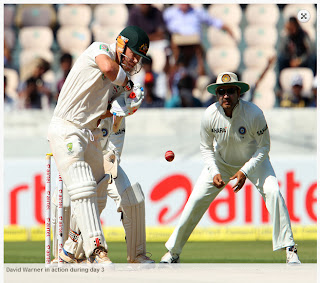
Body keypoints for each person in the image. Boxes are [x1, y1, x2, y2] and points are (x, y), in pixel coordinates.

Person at [160, 72, 301, 264]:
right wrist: (214, 171)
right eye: (222, 91)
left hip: (254, 162)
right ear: (217, 94)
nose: (226, 96)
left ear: (238, 93)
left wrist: (245, 171)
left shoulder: (254, 113)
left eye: (230, 91)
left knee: (274, 192)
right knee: (195, 201)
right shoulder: (209, 114)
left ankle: (290, 250)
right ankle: (173, 253)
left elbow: (264, 147)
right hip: (221, 164)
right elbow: (206, 147)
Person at [47, 25, 150, 264]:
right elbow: (107, 67)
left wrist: (125, 107)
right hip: (66, 128)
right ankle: (97, 249)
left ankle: (70, 250)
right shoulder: (99, 49)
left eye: (139, 57)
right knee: (83, 186)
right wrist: (128, 87)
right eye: (133, 53)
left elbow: (105, 112)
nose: (135, 60)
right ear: (121, 43)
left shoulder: (116, 82)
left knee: (100, 188)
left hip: (89, 133)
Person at [51, 86, 154, 263]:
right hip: (80, 163)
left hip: (107, 164)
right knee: (72, 197)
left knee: (132, 199)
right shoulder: (85, 108)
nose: (119, 117)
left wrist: (107, 166)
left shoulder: (119, 116)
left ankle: (137, 255)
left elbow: (115, 150)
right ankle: (70, 254)